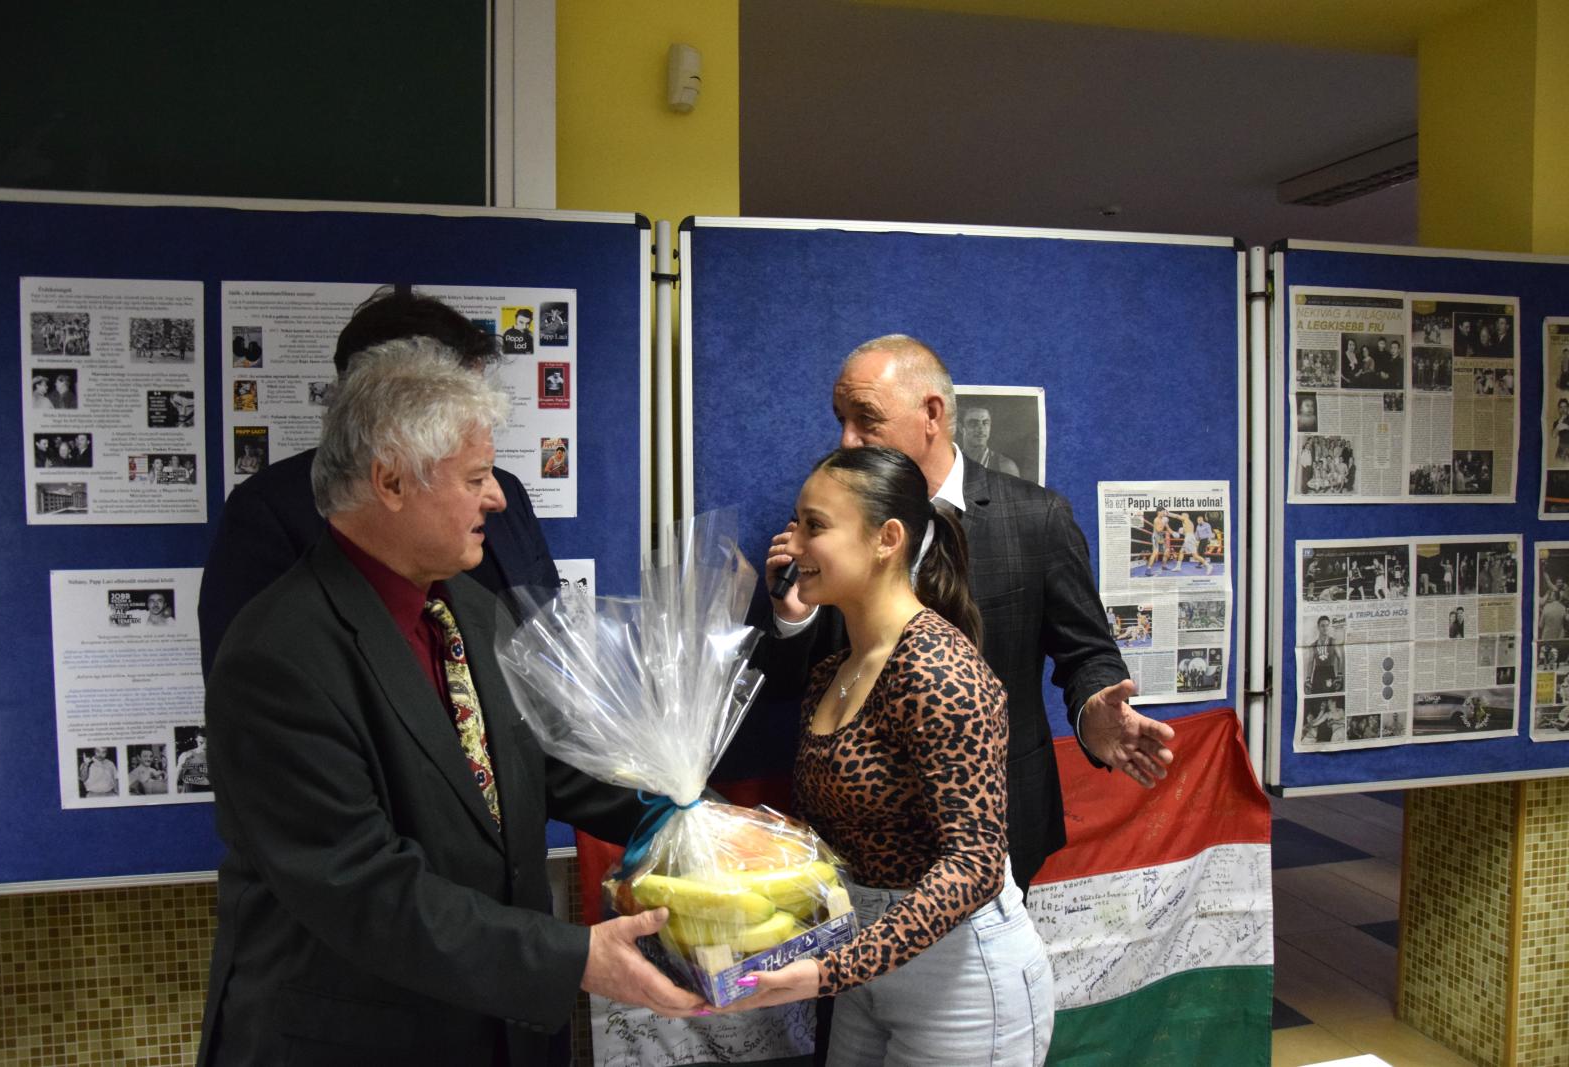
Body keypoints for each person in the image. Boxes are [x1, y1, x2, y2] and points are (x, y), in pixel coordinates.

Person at [196, 339, 700, 1066]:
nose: (497, 497)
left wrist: (693, 815)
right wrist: (574, 958)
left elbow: (551, 763)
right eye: (475, 477)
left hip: (500, 1032)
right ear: (391, 481)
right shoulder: (278, 655)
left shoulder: (472, 609)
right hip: (357, 1042)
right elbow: (361, 886)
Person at [754, 335, 1173, 890]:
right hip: (856, 837)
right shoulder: (828, 522)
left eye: (866, 419)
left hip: (998, 826)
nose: (847, 440)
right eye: (841, 420)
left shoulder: (1036, 518)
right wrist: (793, 619)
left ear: (931, 414)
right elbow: (787, 685)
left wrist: (1092, 709)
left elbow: (1087, 652)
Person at [717, 446, 1052, 1064]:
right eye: (795, 523)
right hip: (863, 966)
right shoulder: (836, 670)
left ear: (887, 539)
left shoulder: (937, 669)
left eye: (814, 526)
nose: (792, 544)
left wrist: (835, 969)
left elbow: (976, 864)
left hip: (960, 981)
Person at [198, 289, 560, 678]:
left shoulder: (507, 492)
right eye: (459, 394)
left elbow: (551, 635)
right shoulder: (269, 509)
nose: (481, 409)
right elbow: (253, 675)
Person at [958, 405, 1020, 478]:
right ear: (961, 428)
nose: (981, 430)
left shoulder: (1005, 467)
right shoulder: (951, 463)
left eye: (985, 423)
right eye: (974, 423)